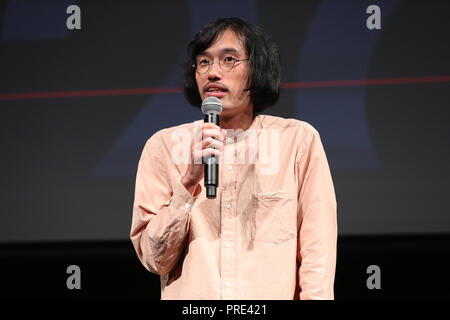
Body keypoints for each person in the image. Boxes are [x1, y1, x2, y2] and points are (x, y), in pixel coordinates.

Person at [130, 17, 337, 300]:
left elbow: (317, 253)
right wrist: (188, 183)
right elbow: (154, 259)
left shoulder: (298, 141)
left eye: (229, 59)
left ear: (257, 70)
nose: (213, 72)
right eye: (203, 63)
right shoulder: (163, 147)